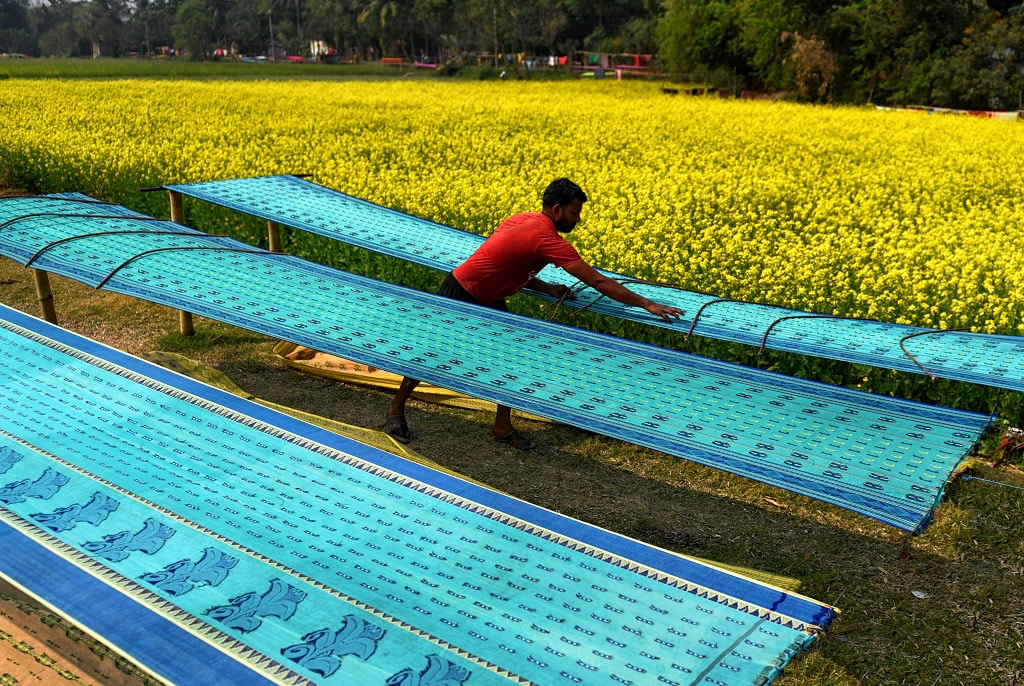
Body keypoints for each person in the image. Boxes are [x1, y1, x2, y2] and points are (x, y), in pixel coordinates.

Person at [386, 177, 684, 450]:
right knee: (435, 353)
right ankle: (396, 411)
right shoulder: (547, 239)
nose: (578, 219)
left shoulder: (522, 219)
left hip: (490, 295)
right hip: (463, 289)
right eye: (574, 213)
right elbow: (597, 281)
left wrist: (545, 287)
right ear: (557, 209)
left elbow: (510, 262)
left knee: (508, 357)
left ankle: (502, 426)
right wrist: (648, 304)